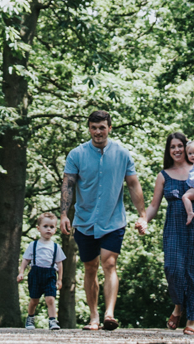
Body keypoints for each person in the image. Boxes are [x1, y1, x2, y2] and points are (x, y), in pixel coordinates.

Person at [59, 109, 149, 331]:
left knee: (109, 263)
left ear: (110, 128)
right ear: (89, 128)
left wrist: (143, 215)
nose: (98, 132)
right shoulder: (77, 154)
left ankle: (109, 314)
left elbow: (133, 184)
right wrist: (63, 214)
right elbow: (68, 185)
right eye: (94, 127)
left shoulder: (123, 154)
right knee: (90, 267)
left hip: (113, 219)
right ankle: (94, 317)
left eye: (102, 127)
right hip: (84, 220)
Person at [144, 130, 194, 337]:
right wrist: (143, 220)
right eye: (172, 147)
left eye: (179, 146)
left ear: (186, 147)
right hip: (174, 224)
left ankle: (191, 321)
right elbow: (154, 205)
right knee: (172, 267)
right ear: (168, 150)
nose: (176, 150)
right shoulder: (163, 175)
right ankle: (178, 306)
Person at [19, 212, 65, 330]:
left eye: (52, 227)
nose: (48, 229)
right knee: (34, 299)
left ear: (55, 229)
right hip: (35, 274)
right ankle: (30, 318)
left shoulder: (56, 247)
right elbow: (25, 260)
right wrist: (21, 272)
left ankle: (53, 321)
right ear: (38, 228)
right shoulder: (33, 245)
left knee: (50, 299)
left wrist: (59, 279)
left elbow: (59, 263)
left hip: (50, 274)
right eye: (45, 226)